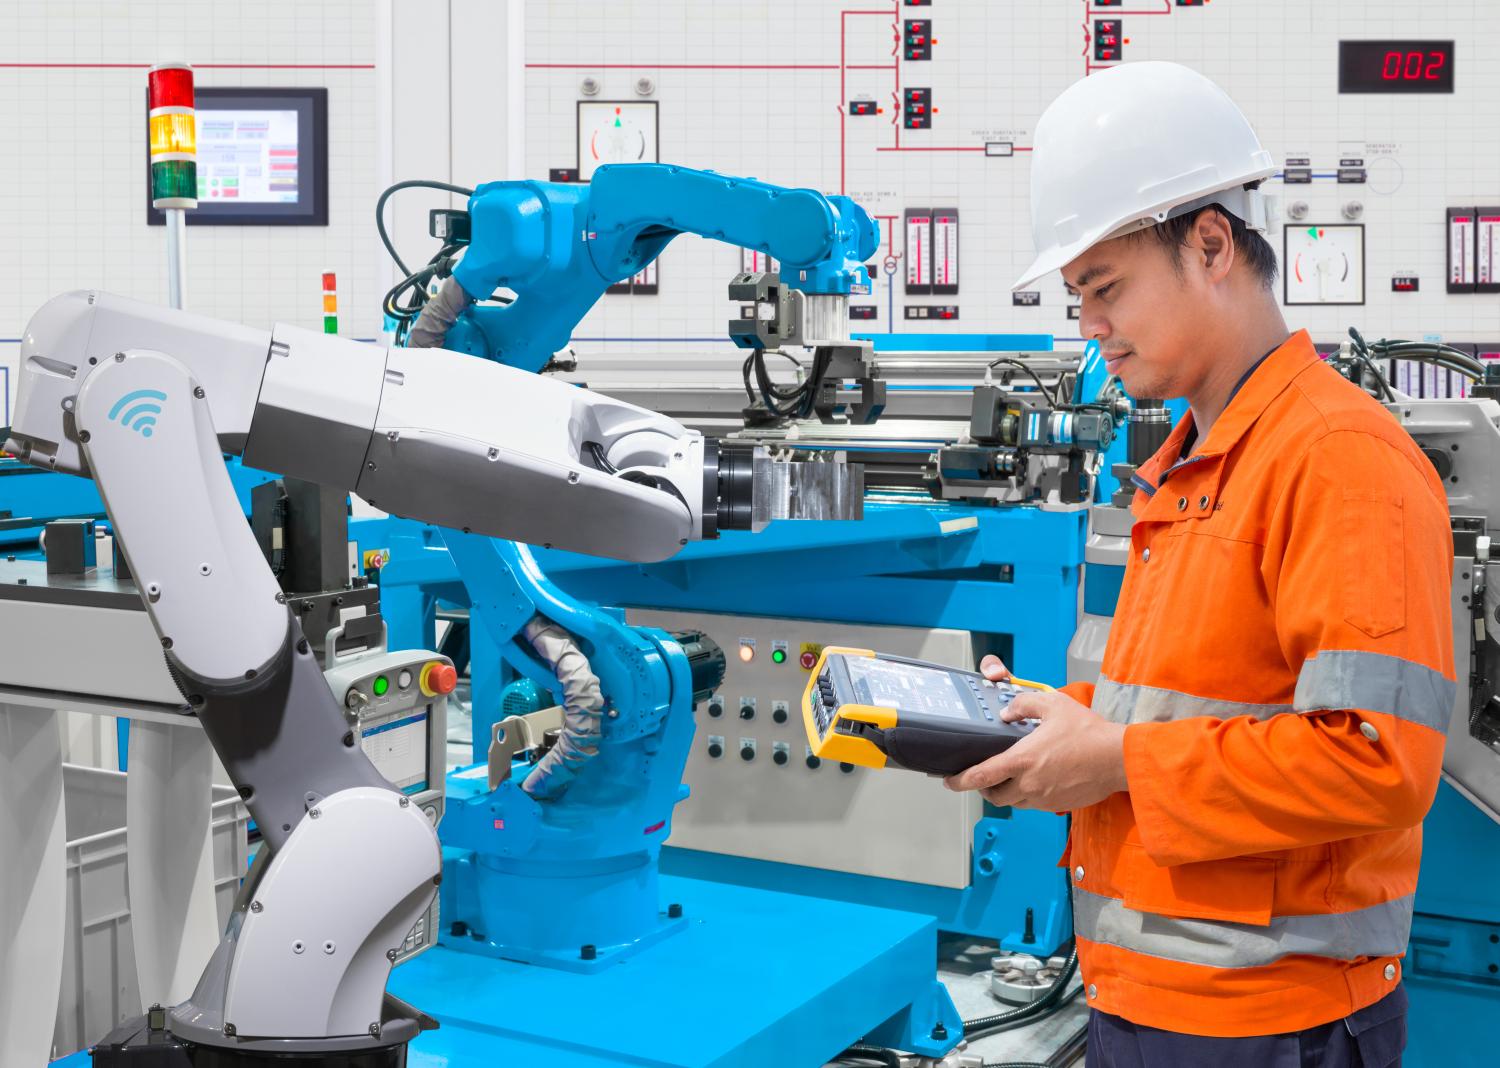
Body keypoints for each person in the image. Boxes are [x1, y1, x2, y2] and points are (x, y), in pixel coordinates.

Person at [946, 62, 1454, 1067]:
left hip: (1272, 1019)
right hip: (1152, 997)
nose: (1088, 326)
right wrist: (1070, 730)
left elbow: (1376, 758)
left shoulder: (1335, 457)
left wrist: (1115, 759)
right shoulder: (1190, 467)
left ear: (1211, 245)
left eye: (1104, 288)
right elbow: (1189, 704)